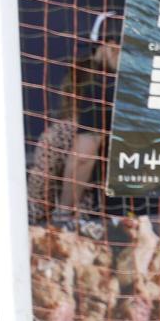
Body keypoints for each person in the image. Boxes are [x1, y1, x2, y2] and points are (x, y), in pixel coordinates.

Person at [57, 12, 123, 219]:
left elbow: (83, 158)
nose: (94, 60)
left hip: (126, 216)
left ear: (111, 45)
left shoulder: (103, 89)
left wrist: (64, 212)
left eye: (95, 50)